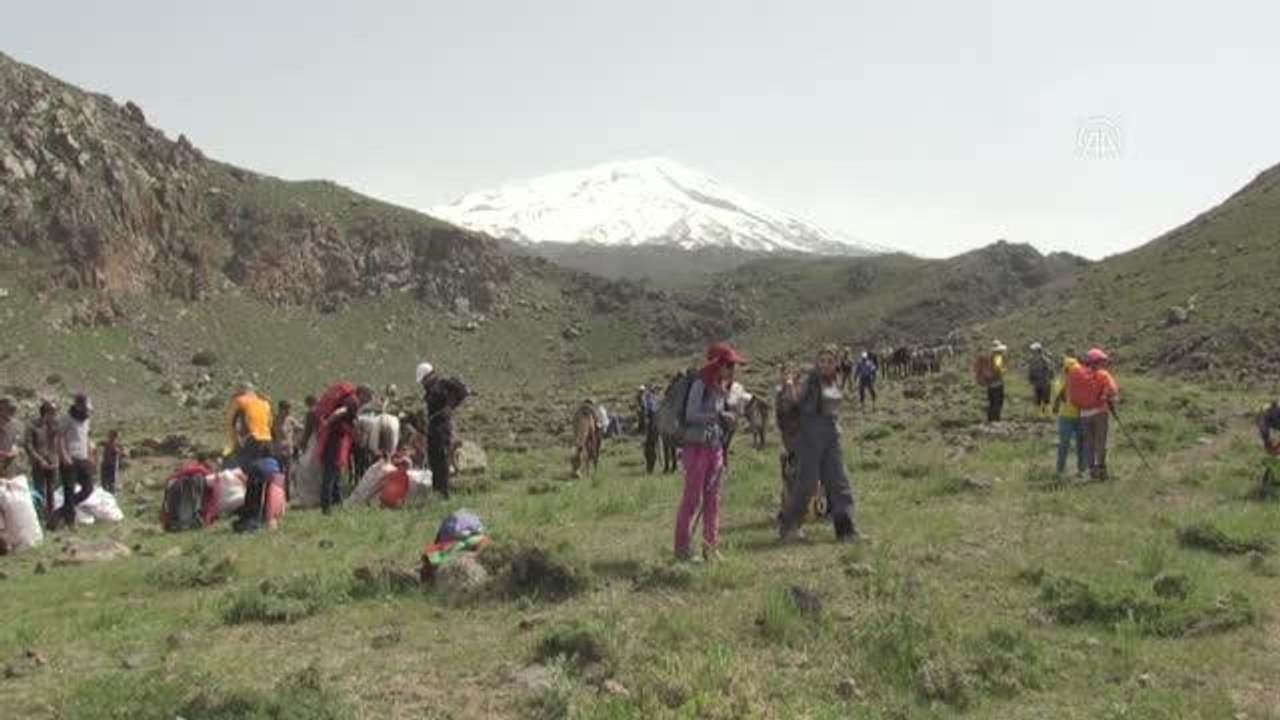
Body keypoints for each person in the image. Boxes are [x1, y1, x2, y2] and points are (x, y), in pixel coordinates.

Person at [777, 345, 860, 543]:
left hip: (830, 437)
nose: (825, 365)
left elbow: (831, 409)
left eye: (830, 361)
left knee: (839, 482)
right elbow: (793, 403)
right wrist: (789, 388)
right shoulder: (811, 381)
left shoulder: (833, 381)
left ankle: (846, 530)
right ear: (817, 362)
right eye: (822, 360)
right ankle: (789, 528)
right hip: (809, 438)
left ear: (836, 363)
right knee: (807, 483)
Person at [673, 342, 746, 562]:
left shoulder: (721, 385)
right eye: (731, 365)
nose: (734, 370)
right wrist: (719, 416)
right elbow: (691, 413)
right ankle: (682, 549)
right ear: (719, 364)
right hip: (696, 449)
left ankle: (710, 548)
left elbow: (719, 413)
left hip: (715, 446)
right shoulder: (700, 384)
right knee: (692, 499)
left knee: (713, 499)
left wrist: (729, 417)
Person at [315, 384, 374, 514]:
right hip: (334, 440)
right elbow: (340, 412)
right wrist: (328, 422)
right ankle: (326, 507)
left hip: (335, 438)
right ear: (362, 393)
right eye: (368, 398)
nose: (367, 401)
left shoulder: (351, 401)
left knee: (335, 472)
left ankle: (337, 502)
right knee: (330, 473)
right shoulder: (353, 402)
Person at [418, 361, 469, 500]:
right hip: (434, 426)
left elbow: (462, 393)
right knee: (434, 459)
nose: (422, 383)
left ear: (429, 375)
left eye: (423, 379)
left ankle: (444, 492)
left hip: (442, 427)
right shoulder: (432, 388)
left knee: (442, 458)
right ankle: (436, 490)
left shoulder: (443, 385)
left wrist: (450, 407)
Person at [1074, 347, 1121, 481]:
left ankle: (1092, 471)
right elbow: (1112, 392)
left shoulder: (1079, 375)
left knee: (1089, 443)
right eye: (1101, 361)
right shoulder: (1103, 375)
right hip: (1100, 412)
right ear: (1097, 361)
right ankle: (1101, 470)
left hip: (1083, 414)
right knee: (1101, 442)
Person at [57, 394, 96, 529]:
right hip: (70, 458)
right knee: (69, 490)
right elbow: (60, 438)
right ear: (78, 406)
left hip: (83, 458)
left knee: (88, 488)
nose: (87, 411)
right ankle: (70, 521)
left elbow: (87, 438)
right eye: (85, 408)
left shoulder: (86, 420)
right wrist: (64, 455)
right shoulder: (66, 419)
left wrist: (91, 456)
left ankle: (59, 513)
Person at [25, 400, 61, 524]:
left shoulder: (54, 425)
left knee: (52, 490)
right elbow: (28, 445)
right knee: (39, 490)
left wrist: (57, 459)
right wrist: (39, 459)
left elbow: (58, 443)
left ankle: (51, 518)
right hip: (38, 463)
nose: (54, 415)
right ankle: (39, 517)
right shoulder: (33, 426)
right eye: (52, 412)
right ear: (45, 412)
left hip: (52, 462)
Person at [1051, 356, 1087, 477]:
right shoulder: (1061, 382)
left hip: (1074, 417)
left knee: (1075, 444)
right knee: (1069, 444)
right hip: (1071, 417)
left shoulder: (1077, 381)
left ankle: (1078, 469)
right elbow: (1061, 398)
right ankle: (1064, 469)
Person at [224, 384, 273, 465]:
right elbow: (270, 423)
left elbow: (230, 422)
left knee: (245, 468)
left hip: (252, 439)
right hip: (267, 439)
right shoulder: (265, 403)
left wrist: (235, 442)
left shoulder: (239, 400)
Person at [271, 400, 302, 493]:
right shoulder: (274, 421)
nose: (288, 412)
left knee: (288, 473)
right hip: (277, 451)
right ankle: (278, 494)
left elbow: (299, 428)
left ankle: (287, 494)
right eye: (287, 410)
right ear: (281, 409)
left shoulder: (290, 419)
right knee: (278, 474)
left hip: (289, 451)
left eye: (289, 410)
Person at [1027, 342, 1053, 417]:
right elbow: (1031, 372)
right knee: (1037, 400)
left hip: (1045, 383)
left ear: (1038, 351)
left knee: (1046, 401)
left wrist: (1046, 381)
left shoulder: (1046, 361)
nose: (1032, 352)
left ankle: (1048, 416)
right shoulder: (1032, 361)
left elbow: (1050, 372)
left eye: (1033, 351)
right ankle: (1037, 415)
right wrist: (1031, 379)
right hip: (1036, 384)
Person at [99, 429, 126, 495]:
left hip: (112, 466)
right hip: (105, 465)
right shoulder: (106, 444)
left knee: (111, 482)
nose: (109, 437)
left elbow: (125, 454)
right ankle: (104, 495)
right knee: (104, 483)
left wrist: (119, 452)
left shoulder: (118, 445)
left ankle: (111, 494)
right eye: (109, 435)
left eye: (111, 435)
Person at [987, 341, 1008, 422]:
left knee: (992, 403)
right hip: (997, 384)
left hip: (990, 384)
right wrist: (1004, 370)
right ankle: (996, 419)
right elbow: (998, 370)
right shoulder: (997, 358)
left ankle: (991, 419)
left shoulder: (990, 358)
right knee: (997, 403)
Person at [0, 396, 19, 479]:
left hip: (10, 467)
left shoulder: (14, 425)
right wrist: (4, 454)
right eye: (10, 409)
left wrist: (15, 450)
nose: (12, 411)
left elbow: (15, 442)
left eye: (14, 409)